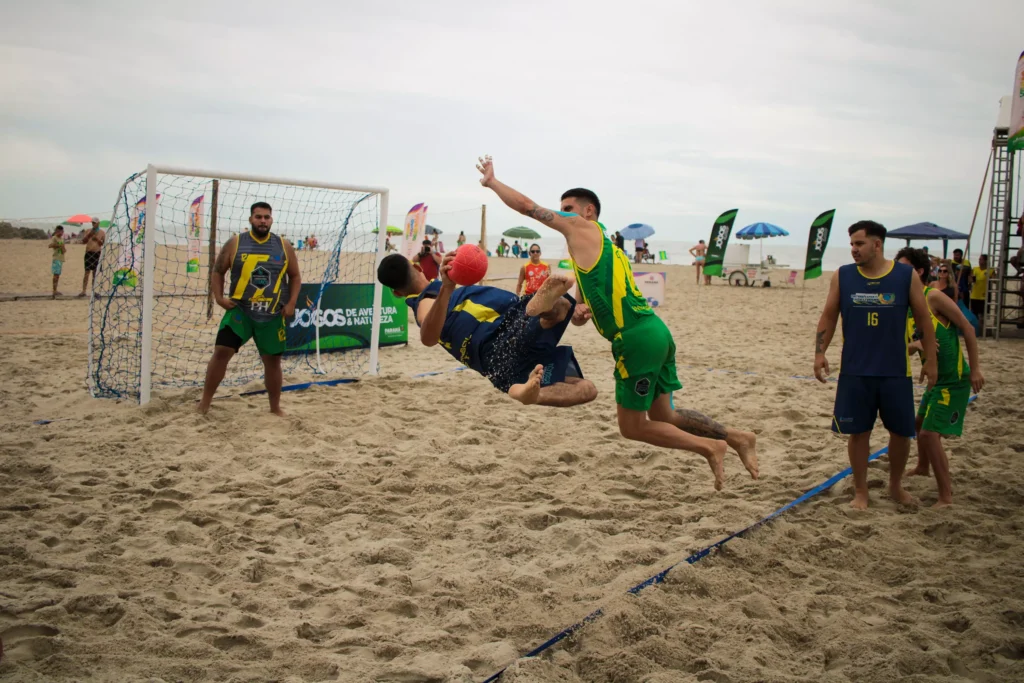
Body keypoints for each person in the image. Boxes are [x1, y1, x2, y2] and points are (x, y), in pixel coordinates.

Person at [476, 155, 758, 489]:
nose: (562, 213)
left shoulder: (582, 227)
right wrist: (581, 312)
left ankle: (712, 447)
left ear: (587, 211)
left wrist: (493, 182)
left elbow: (527, 206)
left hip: (635, 339)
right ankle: (737, 437)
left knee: (632, 427)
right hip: (656, 332)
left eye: (568, 207)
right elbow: (582, 313)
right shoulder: (601, 251)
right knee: (665, 415)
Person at [814, 220, 937, 510]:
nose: (854, 249)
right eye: (852, 244)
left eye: (859, 243)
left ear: (877, 244)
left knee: (900, 432)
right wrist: (819, 353)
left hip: (895, 370)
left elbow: (923, 320)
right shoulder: (843, 276)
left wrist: (930, 360)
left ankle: (895, 485)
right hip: (856, 370)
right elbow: (829, 316)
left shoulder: (905, 276)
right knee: (858, 432)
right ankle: (861, 491)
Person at [377, 251, 597, 407]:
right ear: (417, 268)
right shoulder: (426, 300)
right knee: (558, 307)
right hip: (502, 334)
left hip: (498, 360)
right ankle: (540, 309)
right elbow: (428, 337)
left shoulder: (439, 295)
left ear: (396, 293)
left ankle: (529, 393)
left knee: (587, 389)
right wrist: (446, 287)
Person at [896, 247, 984, 507]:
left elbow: (968, 328)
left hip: (955, 380)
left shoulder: (932, 296)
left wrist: (976, 369)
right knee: (919, 423)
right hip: (936, 381)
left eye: (904, 267)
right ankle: (923, 467)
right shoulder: (907, 304)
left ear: (919, 271)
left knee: (928, 435)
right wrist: (917, 347)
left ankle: (945, 496)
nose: (898, 272)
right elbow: (909, 344)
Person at [198, 202, 301, 416]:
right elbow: (217, 272)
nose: (263, 221)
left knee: (272, 361)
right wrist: (218, 298)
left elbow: (295, 276)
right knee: (221, 352)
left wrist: (291, 303)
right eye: (258, 217)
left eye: (266, 217)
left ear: (272, 219)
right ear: (250, 219)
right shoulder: (235, 243)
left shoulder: (284, 246)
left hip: (272, 312)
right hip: (241, 311)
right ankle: (204, 403)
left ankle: (275, 408)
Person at [79, 217, 105, 296]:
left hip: (96, 253)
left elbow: (102, 244)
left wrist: (96, 239)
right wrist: (89, 235)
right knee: (87, 272)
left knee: (94, 273)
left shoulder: (102, 232)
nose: (93, 224)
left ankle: (93, 291)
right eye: (92, 223)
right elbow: (83, 241)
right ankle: (84, 291)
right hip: (88, 252)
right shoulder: (88, 231)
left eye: (95, 223)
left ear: (98, 223)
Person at [968, 254, 993, 320]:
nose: (979, 261)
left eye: (981, 259)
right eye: (979, 259)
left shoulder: (990, 270)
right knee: (974, 315)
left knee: (982, 316)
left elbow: (995, 281)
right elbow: (970, 280)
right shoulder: (975, 269)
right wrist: (971, 279)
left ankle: (981, 329)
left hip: (984, 296)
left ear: (985, 261)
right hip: (974, 295)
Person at [48, 225, 66, 298]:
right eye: (59, 231)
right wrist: (59, 245)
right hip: (56, 258)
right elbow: (50, 245)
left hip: (61, 258)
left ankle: (56, 290)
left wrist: (62, 248)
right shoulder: (54, 238)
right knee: (55, 275)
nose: (60, 233)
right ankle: (54, 290)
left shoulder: (62, 239)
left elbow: (64, 250)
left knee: (58, 275)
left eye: (61, 231)